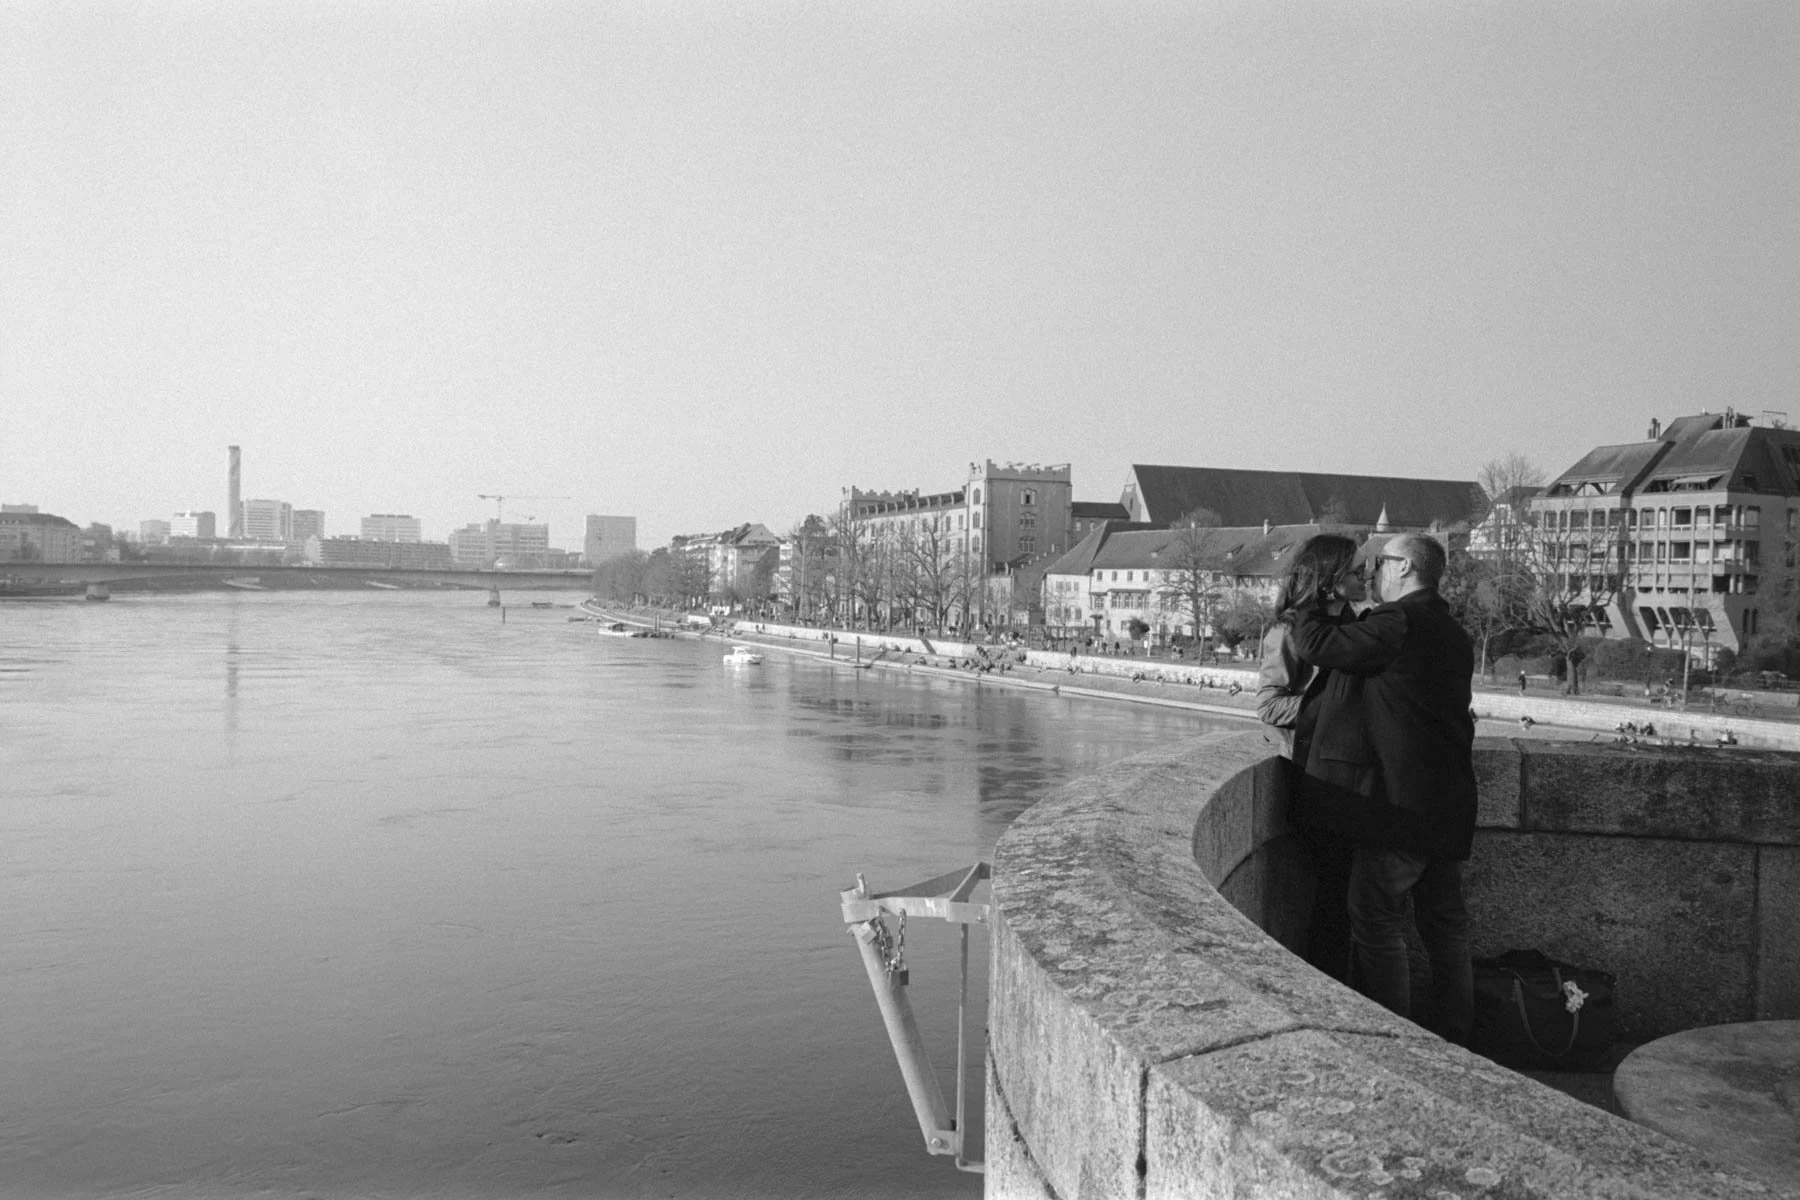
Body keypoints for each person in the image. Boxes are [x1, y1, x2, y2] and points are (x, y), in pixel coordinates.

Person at [1288, 533, 1478, 1045]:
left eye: (1381, 562)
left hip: (1402, 806)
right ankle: (1459, 1034)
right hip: (1453, 803)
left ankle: (1395, 1040)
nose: (1372, 573)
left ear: (1407, 568)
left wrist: (1310, 599)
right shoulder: (1454, 633)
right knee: (1445, 926)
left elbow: (1316, 646)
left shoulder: (1399, 623)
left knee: (1374, 918)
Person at [1256, 533, 1363, 982]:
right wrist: (1333, 711)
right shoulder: (1288, 632)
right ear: (1330, 578)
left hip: (1358, 778)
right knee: (1333, 901)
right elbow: (1269, 705)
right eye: (1356, 571)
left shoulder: (1361, 624)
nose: (1366, 576)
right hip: (1317, 778)